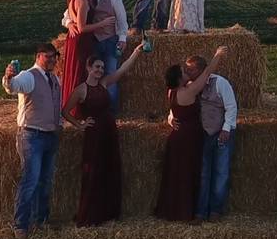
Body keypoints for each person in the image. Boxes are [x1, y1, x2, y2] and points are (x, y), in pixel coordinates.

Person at [62, 42, 145, 226]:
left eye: (102, 67)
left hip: (109, 131)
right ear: (88, 68)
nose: (100, 70)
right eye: (97, 67)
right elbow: (65, 111)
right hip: (94, 135)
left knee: (110, 169)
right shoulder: (81, 90)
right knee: (94, 172)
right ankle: (92, 215)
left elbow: (122, 70)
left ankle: (109, 213)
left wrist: (137, 52)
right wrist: (80, 124)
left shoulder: (105, 83)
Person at [155, 46, 228, 222]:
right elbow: (208, 72)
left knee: (177, 174)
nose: (187, 71)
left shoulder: (171, 92)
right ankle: (186, 211)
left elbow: (174, 111)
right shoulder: (188, 91)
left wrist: (170, 119)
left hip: (177, 137)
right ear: (180, 79)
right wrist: (217, 55)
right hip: (189, 138)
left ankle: (175, 209)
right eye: (183, 71)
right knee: (188, 173)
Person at [2, 43, 63, 239]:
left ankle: (42, 220)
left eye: (54, 56)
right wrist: (9, 77)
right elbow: (12, 87)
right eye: (48, 57)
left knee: (45, 181)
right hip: (32, 136)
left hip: (50, 135)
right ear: (38, 57)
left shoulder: (54, 79)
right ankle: (21, 224)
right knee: (31, 180)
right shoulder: (29, 76)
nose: (52, 60)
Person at [170, 55, 237, 221]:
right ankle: (200, 212)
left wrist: (226, 129)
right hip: (202, 135)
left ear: (201, 70)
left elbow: (231, 107)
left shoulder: (220, 83)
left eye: (191, 69)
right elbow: (174, 108)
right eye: (186, 69)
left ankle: (215, 210)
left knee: (221, 172)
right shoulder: (190, 87)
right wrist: (171, 120)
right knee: (203, 173)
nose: (187, 72)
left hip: (221, 132)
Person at [61, 0, 115, 112]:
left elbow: (72, 20)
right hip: (82, 41)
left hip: (72, 39)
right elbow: (82, 28)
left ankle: (69, 106)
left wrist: (69, 23)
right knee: (81, 73)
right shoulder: (83, 1)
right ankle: (78, 109)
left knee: (74, 71)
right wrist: (103, 24)